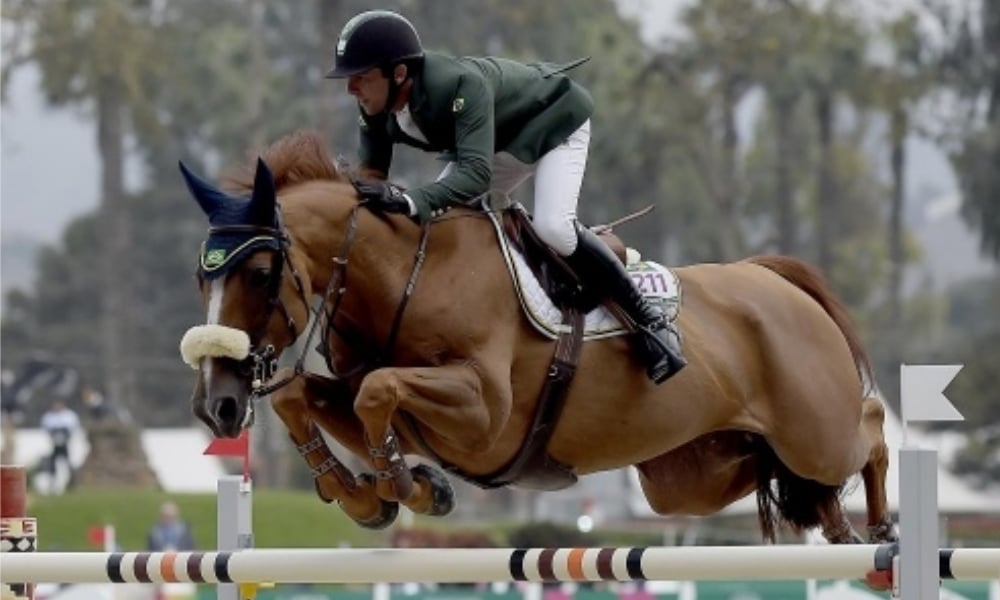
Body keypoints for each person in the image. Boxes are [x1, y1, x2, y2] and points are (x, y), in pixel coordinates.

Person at [325, 10, 686, 384]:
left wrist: (411, 201)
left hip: (555, 124)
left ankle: (652, 325)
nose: (351, 88)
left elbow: (475, 174)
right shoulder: (374, 105)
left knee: (554, 228)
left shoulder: (457, 84)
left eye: (361, 77)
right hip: (499, 144)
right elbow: (373, 176)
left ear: (398, 73)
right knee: (439, 227)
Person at [39, 399, 79, 484]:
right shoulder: (49, 416)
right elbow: (47, 428)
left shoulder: (69, 415)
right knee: (52, 462)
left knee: (68, 462)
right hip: (54, 443)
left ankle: (72, 481)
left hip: (66, 443)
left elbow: (72, 428)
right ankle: (52, 480)